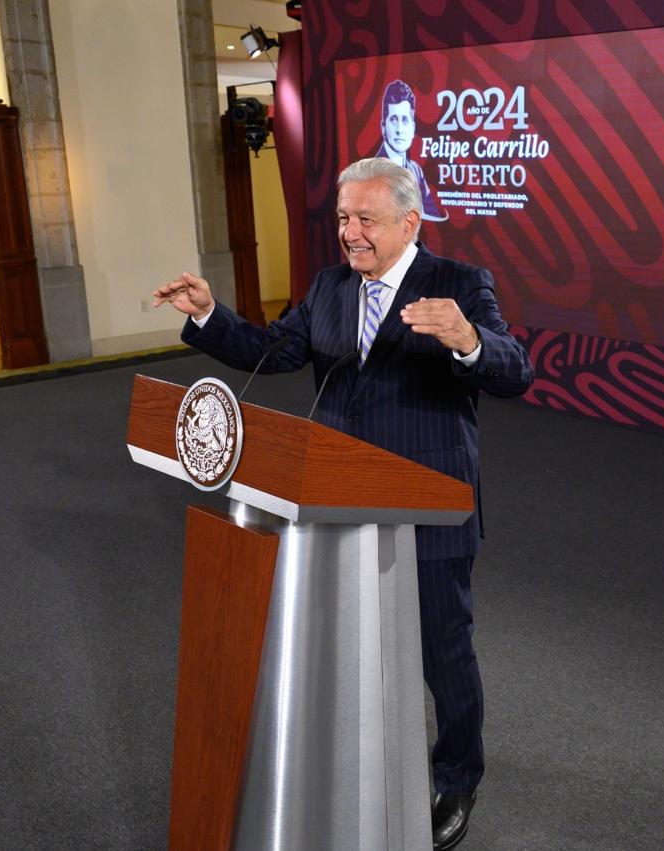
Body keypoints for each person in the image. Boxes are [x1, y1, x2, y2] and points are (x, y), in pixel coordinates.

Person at [152, 157, 533, 850]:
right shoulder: (331, 285)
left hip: (428, 500)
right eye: (343, 218)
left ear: (409, 223)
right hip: (334, 498)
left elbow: (516, 371)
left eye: (366, 220)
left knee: (441, 647)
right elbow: (273, 350)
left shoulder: (459, 284)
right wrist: (207, 313)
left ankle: (457, 775)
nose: (350, 233)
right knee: (345, 639)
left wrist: (469, 340)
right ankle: (353, 757)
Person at [375, 79, 448, 221]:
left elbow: (433, 216)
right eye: (394, 120)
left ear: (412, 128)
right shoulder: (372, 172)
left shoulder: (416, 170)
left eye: (405, 120)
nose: (399, 130)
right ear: (383, 127)